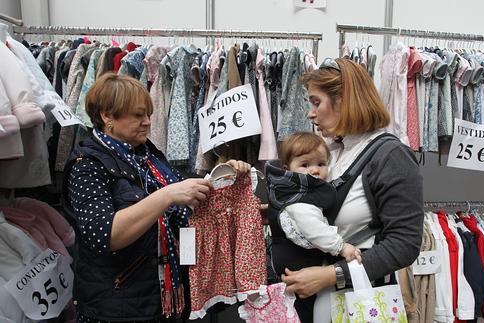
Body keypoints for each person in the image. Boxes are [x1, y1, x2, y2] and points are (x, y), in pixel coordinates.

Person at [62, 73, 251, 323]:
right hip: (117, 308)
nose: (148, 122)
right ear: (107, 116)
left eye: (148, 114)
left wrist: (226, 180)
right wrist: (167, 195)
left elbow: (187, 206)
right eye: (138, 115)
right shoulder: (86, 165)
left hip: (163, 300)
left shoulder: (148, 156)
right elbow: (104, 235)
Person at [281, 58, 424, 322]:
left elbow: (404, 244)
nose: (310, 114)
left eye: (316, 102)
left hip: (357, 303)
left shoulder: (391, 157)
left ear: (344, 100)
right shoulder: (331, 154)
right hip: (314, 300)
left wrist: (330, 276)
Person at [265, 131, 362, 322]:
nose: (315, 170)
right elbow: (314, 229)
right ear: (288, 169)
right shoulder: (300, 200)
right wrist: (342, 247)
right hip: (300, 270)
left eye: (321, 164)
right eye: (305, 165)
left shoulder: (294, 191)